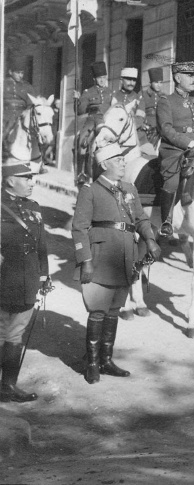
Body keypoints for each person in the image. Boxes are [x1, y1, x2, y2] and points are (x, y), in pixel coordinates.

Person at [72, 144, 161, 382]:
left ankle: (106, 360)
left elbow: (141, 219)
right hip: (100, 257)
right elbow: (79, 228)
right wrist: (85, 260)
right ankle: (91, 362)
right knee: (98, 310)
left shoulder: (130, 188)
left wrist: (150, 239)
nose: (123, 163)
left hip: (125, 257)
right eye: (118, 159)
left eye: (124, 159)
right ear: (104, 164)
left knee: (114, 310)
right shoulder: (90, 190)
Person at [0, 160, 51, 402]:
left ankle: (7, 386)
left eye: (32, 178)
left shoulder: (35, 207)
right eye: (27, 178)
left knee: (16, 333)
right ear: (10, 180)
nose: (32, 182)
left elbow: (41, 244)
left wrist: (44, 275)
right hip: (3, 277)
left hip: (27, 278)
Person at [155, 61, 194, 237]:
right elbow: (166, 129)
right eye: (189, 76)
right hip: (175, 149)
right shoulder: (166, 102)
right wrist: (187, 143)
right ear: (178, 78)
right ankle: (167, 221)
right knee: (172, 179)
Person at [3, 57, 39, 151]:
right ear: (10, 72)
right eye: (17, 72)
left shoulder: (27, 86)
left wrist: (27, 110)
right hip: (5, 113)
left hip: (21, 114)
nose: (20, 75)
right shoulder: (3, 84)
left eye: (22, 73)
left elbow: (32, 102)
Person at [141, 67, 169, 148]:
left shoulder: (164, 96)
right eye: (156, 82)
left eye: (161, 82)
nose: (159, 85)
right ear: (150, 83)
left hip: (162, 130)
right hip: (148, 131)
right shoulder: (143, 95)